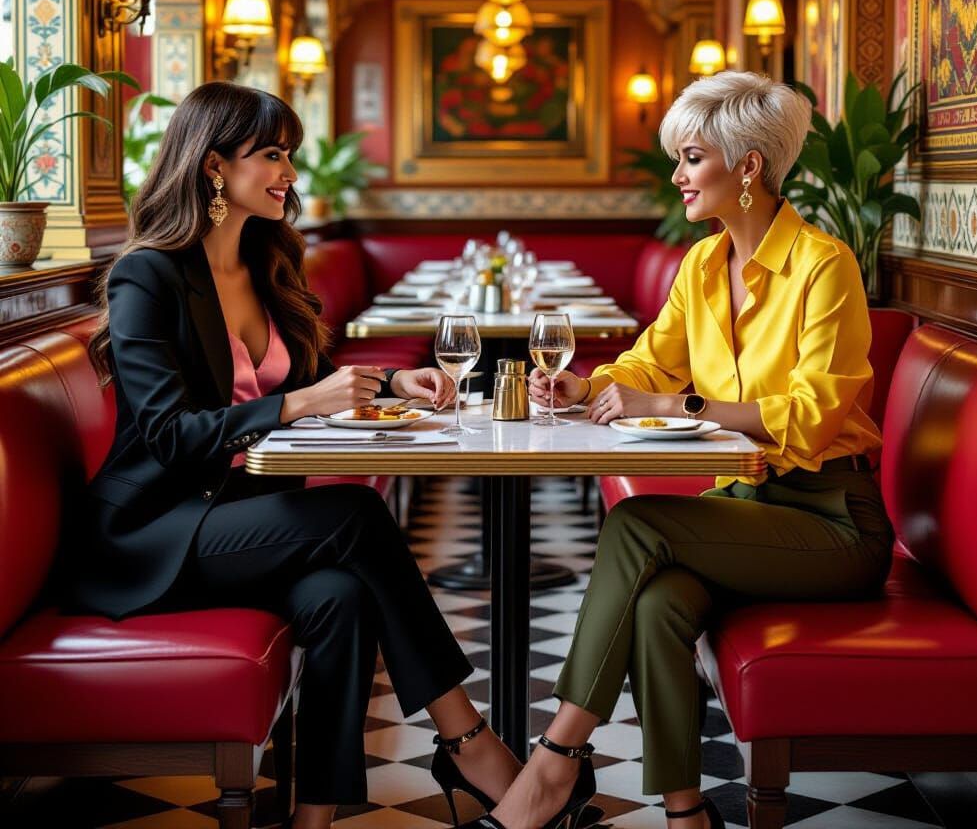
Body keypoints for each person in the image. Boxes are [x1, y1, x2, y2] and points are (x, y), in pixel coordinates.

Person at [75, 82, 519, 829]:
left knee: (340, 599)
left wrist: (393, 383)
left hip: (238, 519)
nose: (289, 172)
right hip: (151, 534)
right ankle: (468, 740)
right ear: (214, 165)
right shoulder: (147, 275)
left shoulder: (264, 263)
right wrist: (302, 405)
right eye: (272, 154)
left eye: (291, 156)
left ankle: (312, 820)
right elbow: (167, 435)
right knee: (354, 509)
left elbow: (300, 382)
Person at [472, 71, 896, 829]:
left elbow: (814, 416)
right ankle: (685, 814)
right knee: (662, 602)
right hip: (749, 507)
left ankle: (551, 767)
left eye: (691, 158)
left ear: (748, 167)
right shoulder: (701, 267)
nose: (677, 176)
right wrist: (585, 386)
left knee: (638, 525)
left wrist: (680, 404)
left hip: (834, 522)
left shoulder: (825, 267)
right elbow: (647, 363)